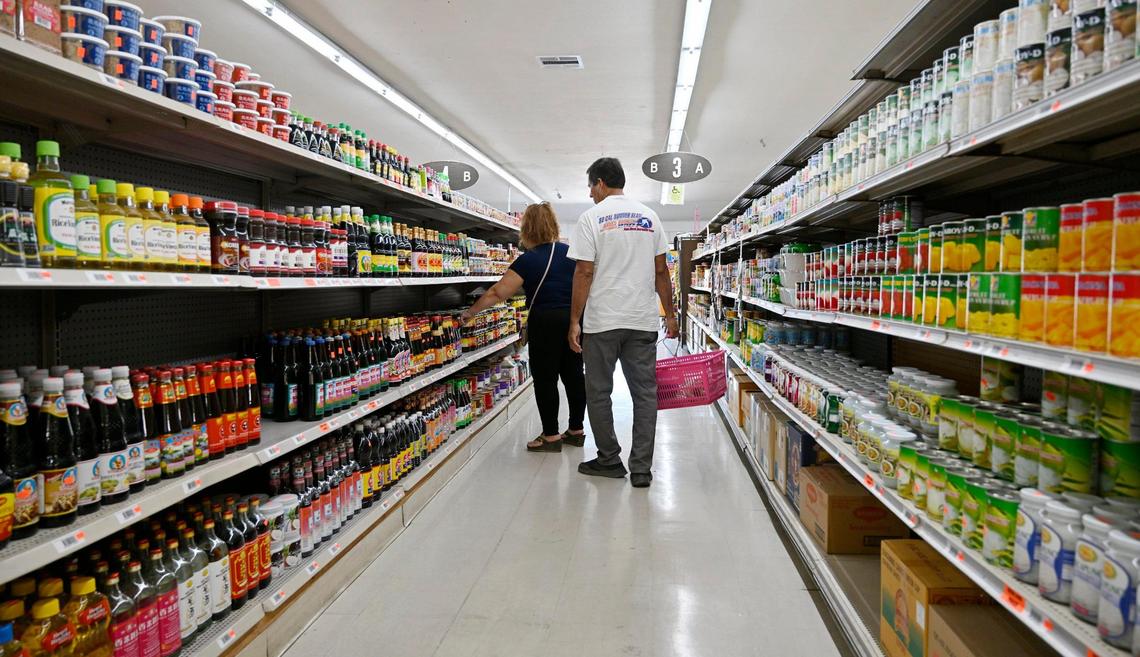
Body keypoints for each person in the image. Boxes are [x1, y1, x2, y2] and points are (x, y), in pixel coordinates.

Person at [567, 157, 678, 488]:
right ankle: (642, 469)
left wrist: (575, 320)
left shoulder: (591, 219)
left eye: (590, 186)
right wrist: (669, 314)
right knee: (645, 394)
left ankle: (609, 459)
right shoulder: (650, 216)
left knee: (599, 392)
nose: (589, 194)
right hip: (642, 321)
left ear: (600, 183)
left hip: (602, 322)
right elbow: (661, 271)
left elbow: (584, 271)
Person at [460, 202, 586, 452]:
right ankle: (576, 430)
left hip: (545, 321)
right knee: (573, 375)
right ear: (554, 225)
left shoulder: (529, 260)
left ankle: (550, 436)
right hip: (575, 319)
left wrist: (471, 312)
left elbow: (498, 292)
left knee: (545, 378)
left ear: (527, 229)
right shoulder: (573, 253)